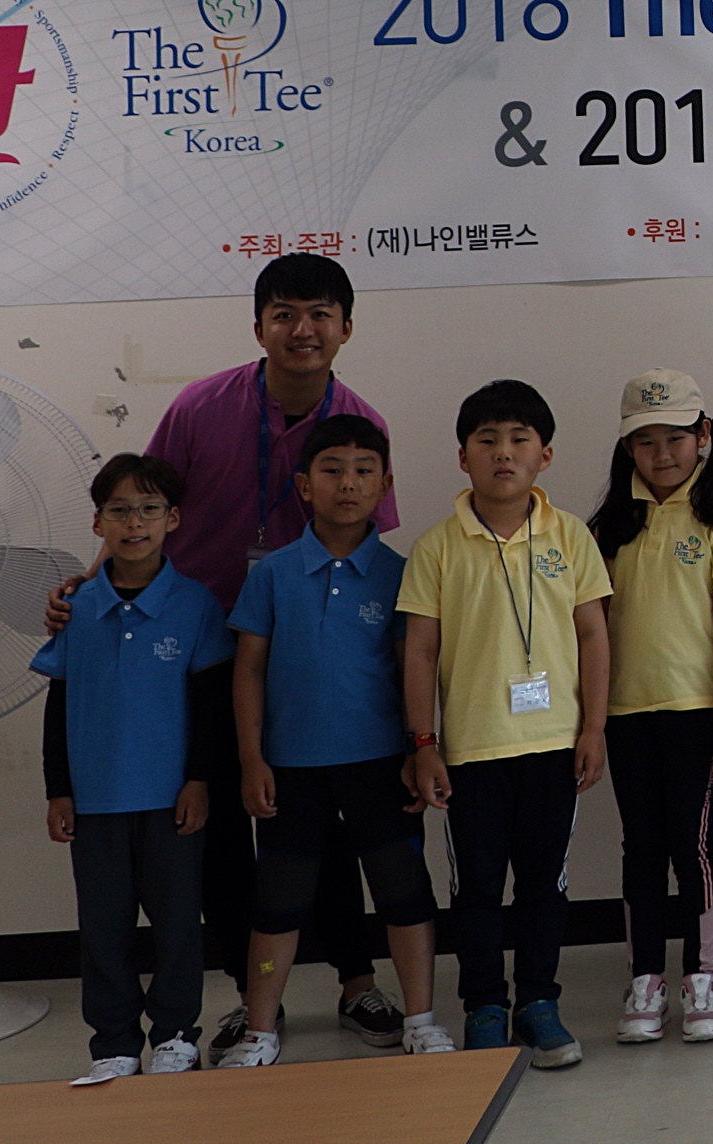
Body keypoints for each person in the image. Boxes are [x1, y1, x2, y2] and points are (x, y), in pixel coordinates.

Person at [43, 253, 403, 1055]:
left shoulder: (360, 423)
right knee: (224, 830)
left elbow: (368, 541)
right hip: (199, 650)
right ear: (259, 327)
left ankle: (357, 982)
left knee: (325, 822)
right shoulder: (200, 407)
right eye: (284, 313)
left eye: (320, 313)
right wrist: (90, 591)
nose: (302, 329)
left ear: (346, 327)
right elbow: (142, 502)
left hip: (306, 651)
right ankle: (250, 996)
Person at [214, 417, 451, 1066]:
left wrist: (419, 748)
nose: (348, 483)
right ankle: (261, 1029)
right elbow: (249, 670)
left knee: (404, 892)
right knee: (279, 902)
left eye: (364, 470)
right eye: (332, 470)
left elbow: (412, 667)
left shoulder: (401, 573)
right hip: (291, 768)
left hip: (381, 765)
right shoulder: (273, 574)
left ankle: (421, 1019)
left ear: (385, 485)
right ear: (303, 485)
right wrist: (252, 758)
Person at [398, 380, 613, 1067]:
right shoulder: (437, 546)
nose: (503, 453)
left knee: (545, 885)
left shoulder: (571, 536)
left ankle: (540, 1003)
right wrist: (424, 744)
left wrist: (594, 728)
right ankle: (485, 1007)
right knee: (478, 890)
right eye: (486, 440)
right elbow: (420, 650)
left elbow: (593, 635)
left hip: (554, 744)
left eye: (519, 439)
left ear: (544, 456)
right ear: (462, 457)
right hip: (472, 751)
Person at [35, 453, 232, 1080]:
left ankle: (175, 1033)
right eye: (119, 511)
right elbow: (59, 702)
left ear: (172, 519)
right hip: (95, 800)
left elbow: (210, 704)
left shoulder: (195, 605)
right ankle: (114, 1042)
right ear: (98, 523)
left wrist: (199, 779)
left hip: (171, 799)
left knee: (177, 925)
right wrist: (58, 789)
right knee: (103, 928)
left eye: (149, 509)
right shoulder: (77, 607)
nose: (135, 522)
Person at [589, 370, 713, 1045]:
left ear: (703, 436)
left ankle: (703, 977)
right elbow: (593, 630)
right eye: (646, 441)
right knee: (641, 848)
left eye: (676, 438)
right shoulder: (608, 529)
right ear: (627, 447)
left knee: (693, 846)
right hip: (626, 713)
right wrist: (591, 720)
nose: (662, 454)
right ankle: (646, 981)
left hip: (697, 709)